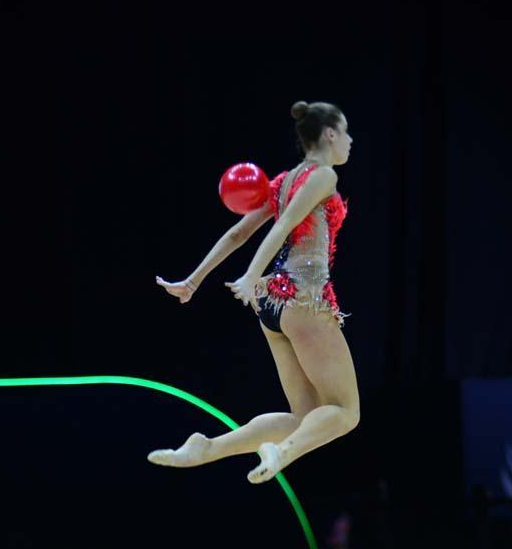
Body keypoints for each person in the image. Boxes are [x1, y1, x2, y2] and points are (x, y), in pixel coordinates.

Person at [149, 100, 359, 484]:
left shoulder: (283, 180)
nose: (350, 140)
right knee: (345, 411)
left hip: (274, 306)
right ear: (329, 134)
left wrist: (193, 281)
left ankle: (207, 447)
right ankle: (283, 451)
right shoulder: (323, 176)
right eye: (345, 131)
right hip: (303, 300)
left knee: (304, 417)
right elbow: (284, 227)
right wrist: (250, 274)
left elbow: (238, 232)